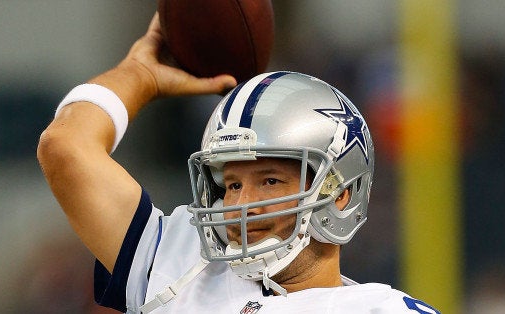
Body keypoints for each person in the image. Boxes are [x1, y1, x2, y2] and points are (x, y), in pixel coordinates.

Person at [37, 13, 440, 314]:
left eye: (269, 180)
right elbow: (66, 147)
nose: (241, 203)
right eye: (231, 184)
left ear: (340, 194)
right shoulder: (180, 263)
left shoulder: (378, 309)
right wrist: (138, 75)